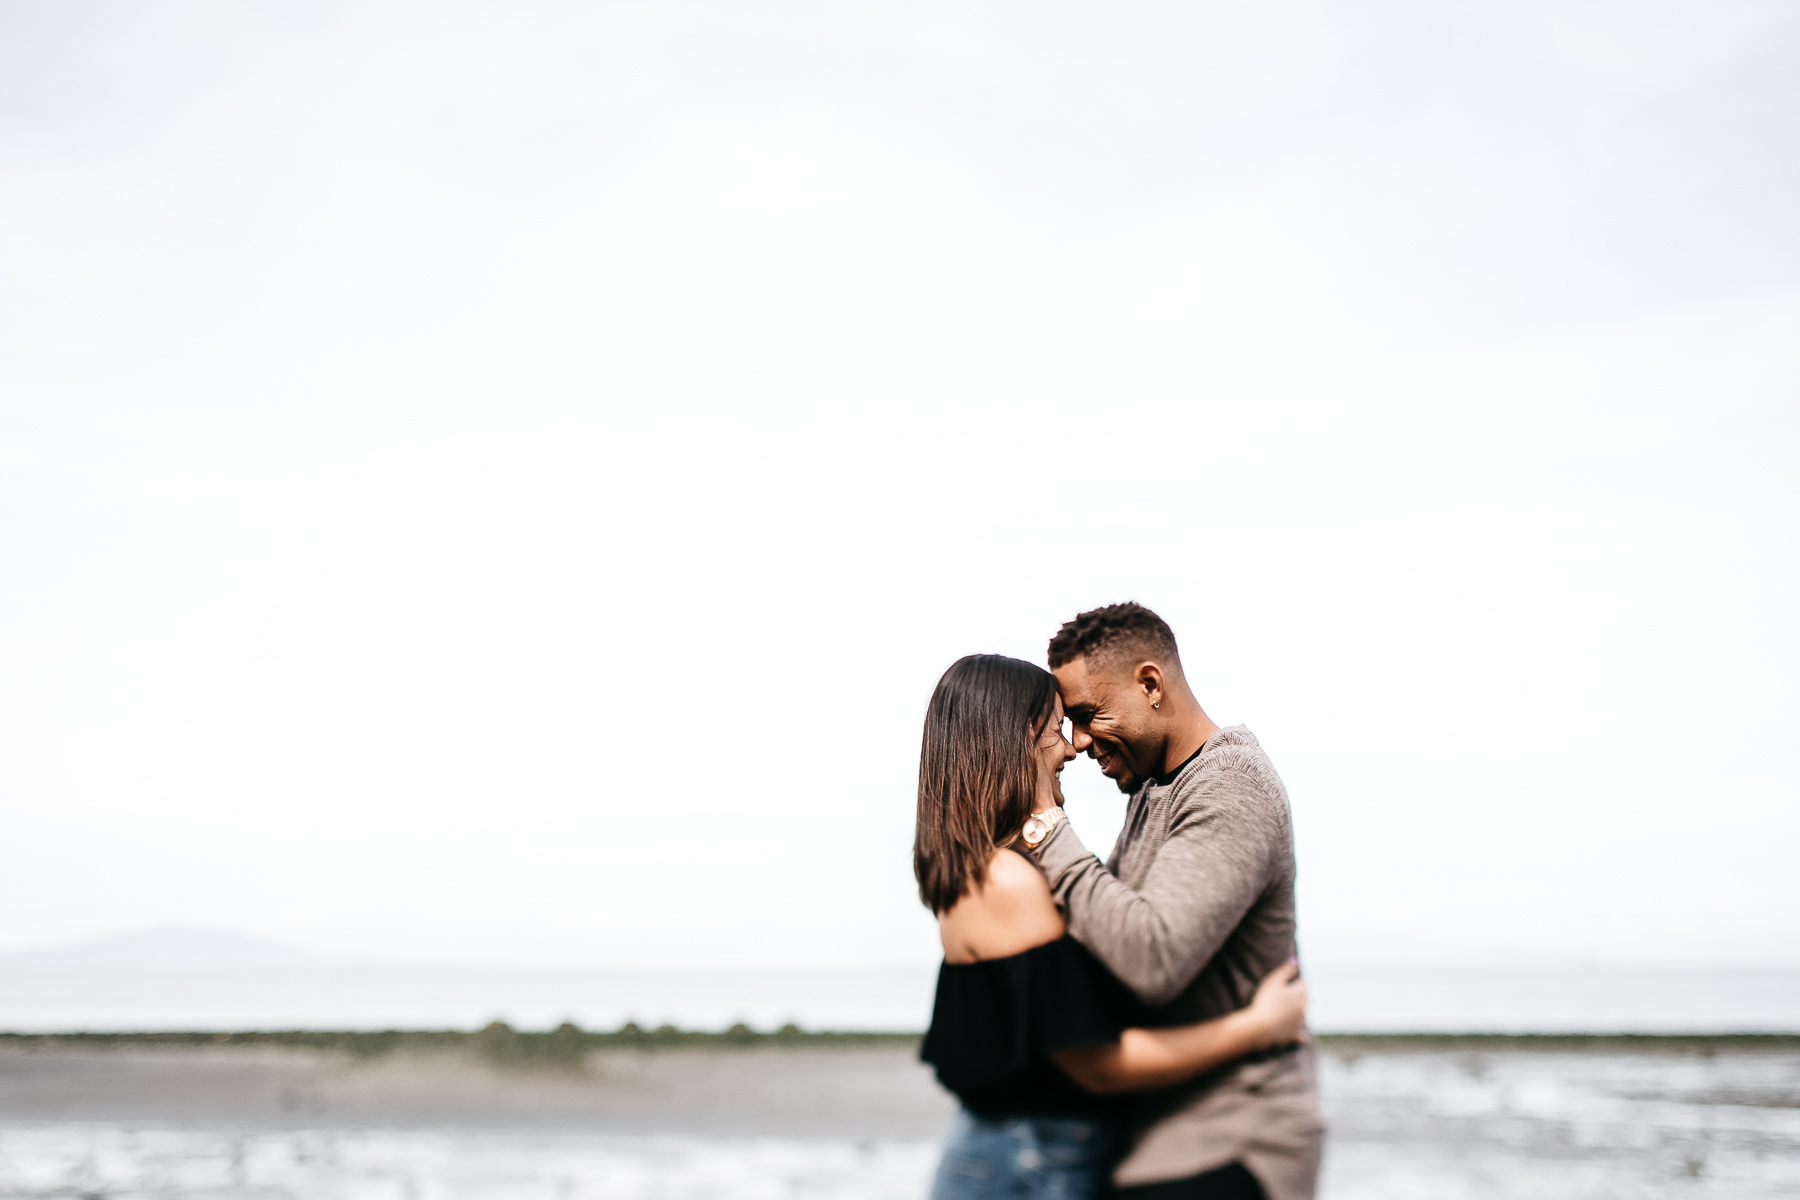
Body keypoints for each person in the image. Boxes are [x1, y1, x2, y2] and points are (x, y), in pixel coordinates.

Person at [915, 654, 1310, 1200]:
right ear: (1014, 741)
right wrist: (1256, 1027)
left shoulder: (997, 867)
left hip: (1027, 1151)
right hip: (1030, 1158)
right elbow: (1100, 1066)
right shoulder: (1006, 882)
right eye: (1056, 728)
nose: (1071, 747)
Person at [1022, 603, 1325, 1200]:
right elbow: (1101, 936)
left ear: (1150, 684)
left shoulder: (1231, 785)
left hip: (1234, 1143)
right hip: (1160, 1144)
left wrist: (1044, 825)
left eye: (1088, 715)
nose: (1078, 743)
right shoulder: (1156, 787)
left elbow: (1149, 959)